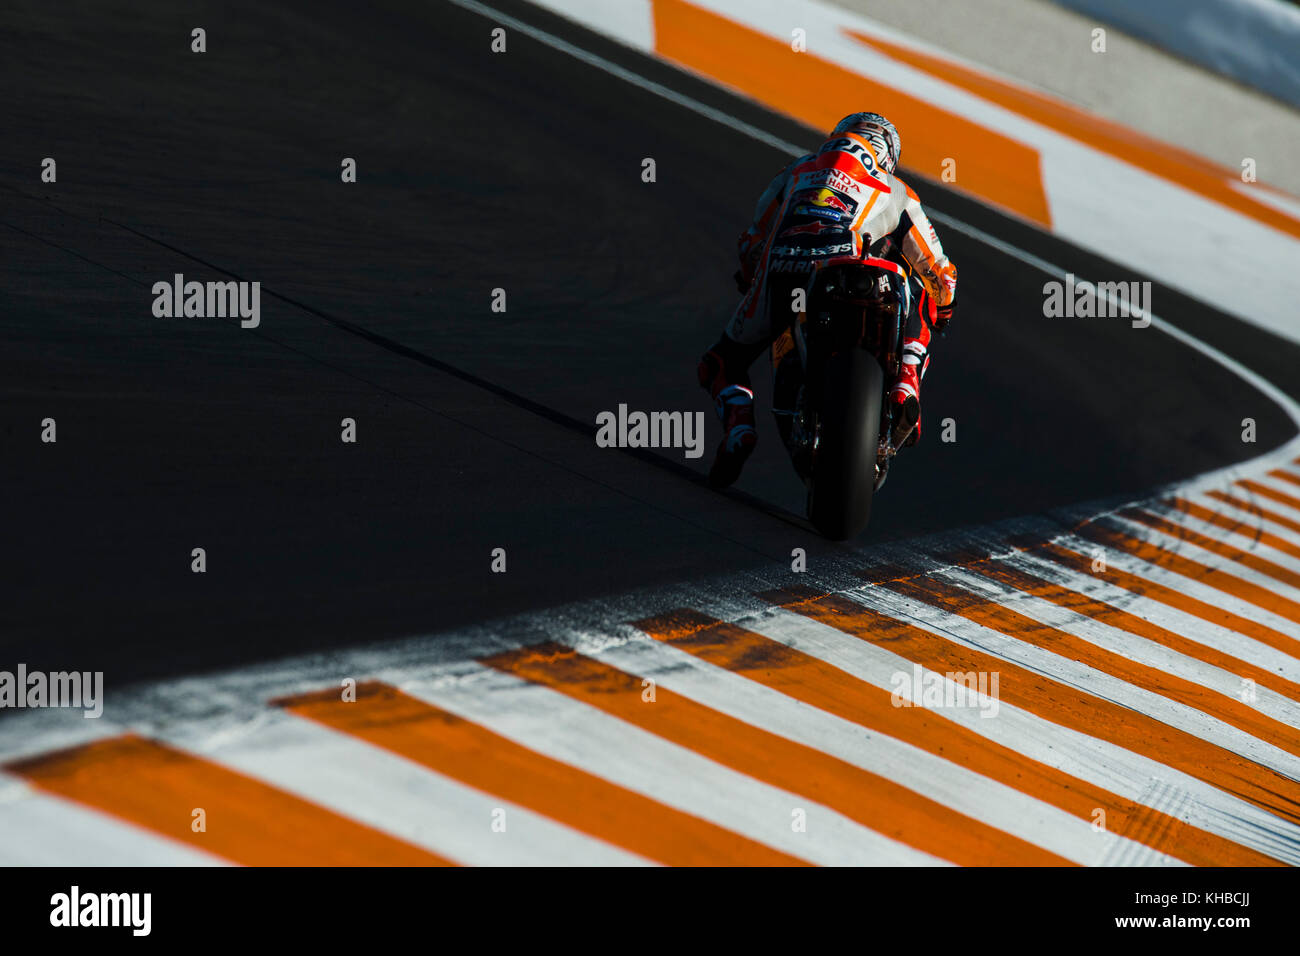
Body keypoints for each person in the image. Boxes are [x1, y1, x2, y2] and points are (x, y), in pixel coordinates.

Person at [696, 112, 957, 488]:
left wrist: (751, 277)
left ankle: (739, 428)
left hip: (783, 271)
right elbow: (941, 272)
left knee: (719, 362)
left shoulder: (797, 170)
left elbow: (751, 241)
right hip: (847, 266)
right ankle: (906, 379)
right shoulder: (895, 188)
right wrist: (945, 307)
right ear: (889, 157)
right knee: (921, 289)